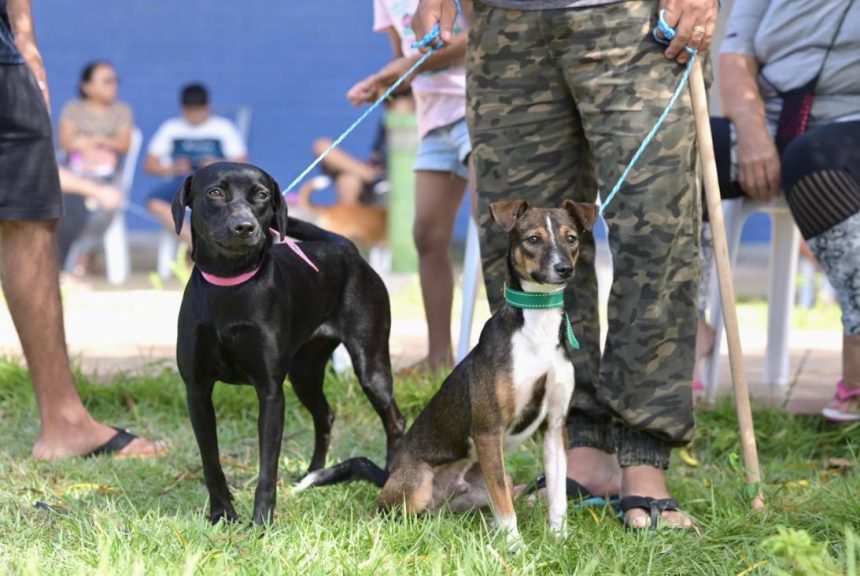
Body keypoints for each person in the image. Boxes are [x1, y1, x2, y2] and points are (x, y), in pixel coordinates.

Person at [413, 0, 718, 529]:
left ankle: (644, 457)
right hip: (507, 23)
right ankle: (581, 447)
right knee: (526, 238)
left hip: (635, 23)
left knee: (654, 232)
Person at [0, 0, 163, 458]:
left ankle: (65, 422)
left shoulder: (118, 113)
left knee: (30, 215)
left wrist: (24, 36)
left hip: (5, 55)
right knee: (29, 216)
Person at [695, 0, 860, 421]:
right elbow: (735, 58)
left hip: (847, 125)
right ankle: (681, 333)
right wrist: (751, 137)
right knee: (683, 149)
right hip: (769, 123)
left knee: (812, 156)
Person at [348, 0, 474, 374]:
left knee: (492, 232)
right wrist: (384, 81)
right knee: (426, 235)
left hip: (478, 107)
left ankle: (506, 361)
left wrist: (404, 66)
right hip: (434, 119)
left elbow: (485, 32)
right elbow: (404, 61)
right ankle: (438, 358)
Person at [145, 83, 248, 247]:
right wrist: (173, 168)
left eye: (198, 110)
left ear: (208, 107)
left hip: (216, 182)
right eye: (190, 110)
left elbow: (243, 163)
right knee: (154, 202)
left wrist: (216, 164)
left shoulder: (223, 128)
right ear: (182, 108)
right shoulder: (171, 128)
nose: (194, 116)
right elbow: (149, 165)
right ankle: (196, 244)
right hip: (182, 182)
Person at [55, 60, 133, 272]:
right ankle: (62, 262)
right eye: (106, 81)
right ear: (87, 86)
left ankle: (82, 255)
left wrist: (94, 143)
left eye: (115, 81)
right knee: (63, 205)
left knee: (108, 202)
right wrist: (90, 149)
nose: (113, 85)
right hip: (75, 173)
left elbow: (125, 144)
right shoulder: (73, 109)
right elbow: (65, 143)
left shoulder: (121, 110)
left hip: (108, 175)